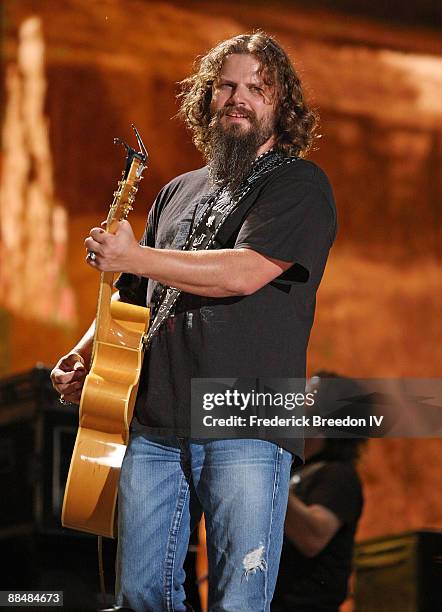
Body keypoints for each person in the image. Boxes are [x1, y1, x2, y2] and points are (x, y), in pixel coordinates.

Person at [51, 32, 337, 611]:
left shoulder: (299, 184)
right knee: (140, 594)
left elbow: (244, 271)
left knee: (238, 600)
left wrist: (133, 255)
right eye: (227, 85)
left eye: (257, 88)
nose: (239, 97)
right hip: (157, 422)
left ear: (283, 106)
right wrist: (88, 352)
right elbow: (132, 295)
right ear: (205, 98)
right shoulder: (177, 192)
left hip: (247, 418)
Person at [272, 373, 368, 612]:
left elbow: (313, 536)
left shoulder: (338, 475)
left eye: (307, 396)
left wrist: (269, 478)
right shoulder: (297, 470)